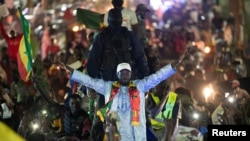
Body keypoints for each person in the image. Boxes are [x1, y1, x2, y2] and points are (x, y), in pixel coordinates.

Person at [55, 49, 187, 141]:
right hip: (117, 134)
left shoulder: (139, 85)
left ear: (130, 74)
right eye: (122, 73)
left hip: (137, 134)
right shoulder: (108, 87)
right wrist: (68, 69)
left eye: (127, 72)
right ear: (118, 75)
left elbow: (157, 77)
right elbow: (88, 80)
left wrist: (173, 65)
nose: (124, 75)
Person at [86, 8, 149, 141]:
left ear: (121, 21)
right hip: (108, 88)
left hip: (131, 87)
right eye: (113, 21)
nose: (116, 23)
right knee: (99, 124)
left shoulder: (130, 36)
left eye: (118, 20)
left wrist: (145, 80)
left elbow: (140, 57)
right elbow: (93, 61)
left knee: (140, 121)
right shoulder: (101, 38)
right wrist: (89, 84)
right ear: (109, 21)